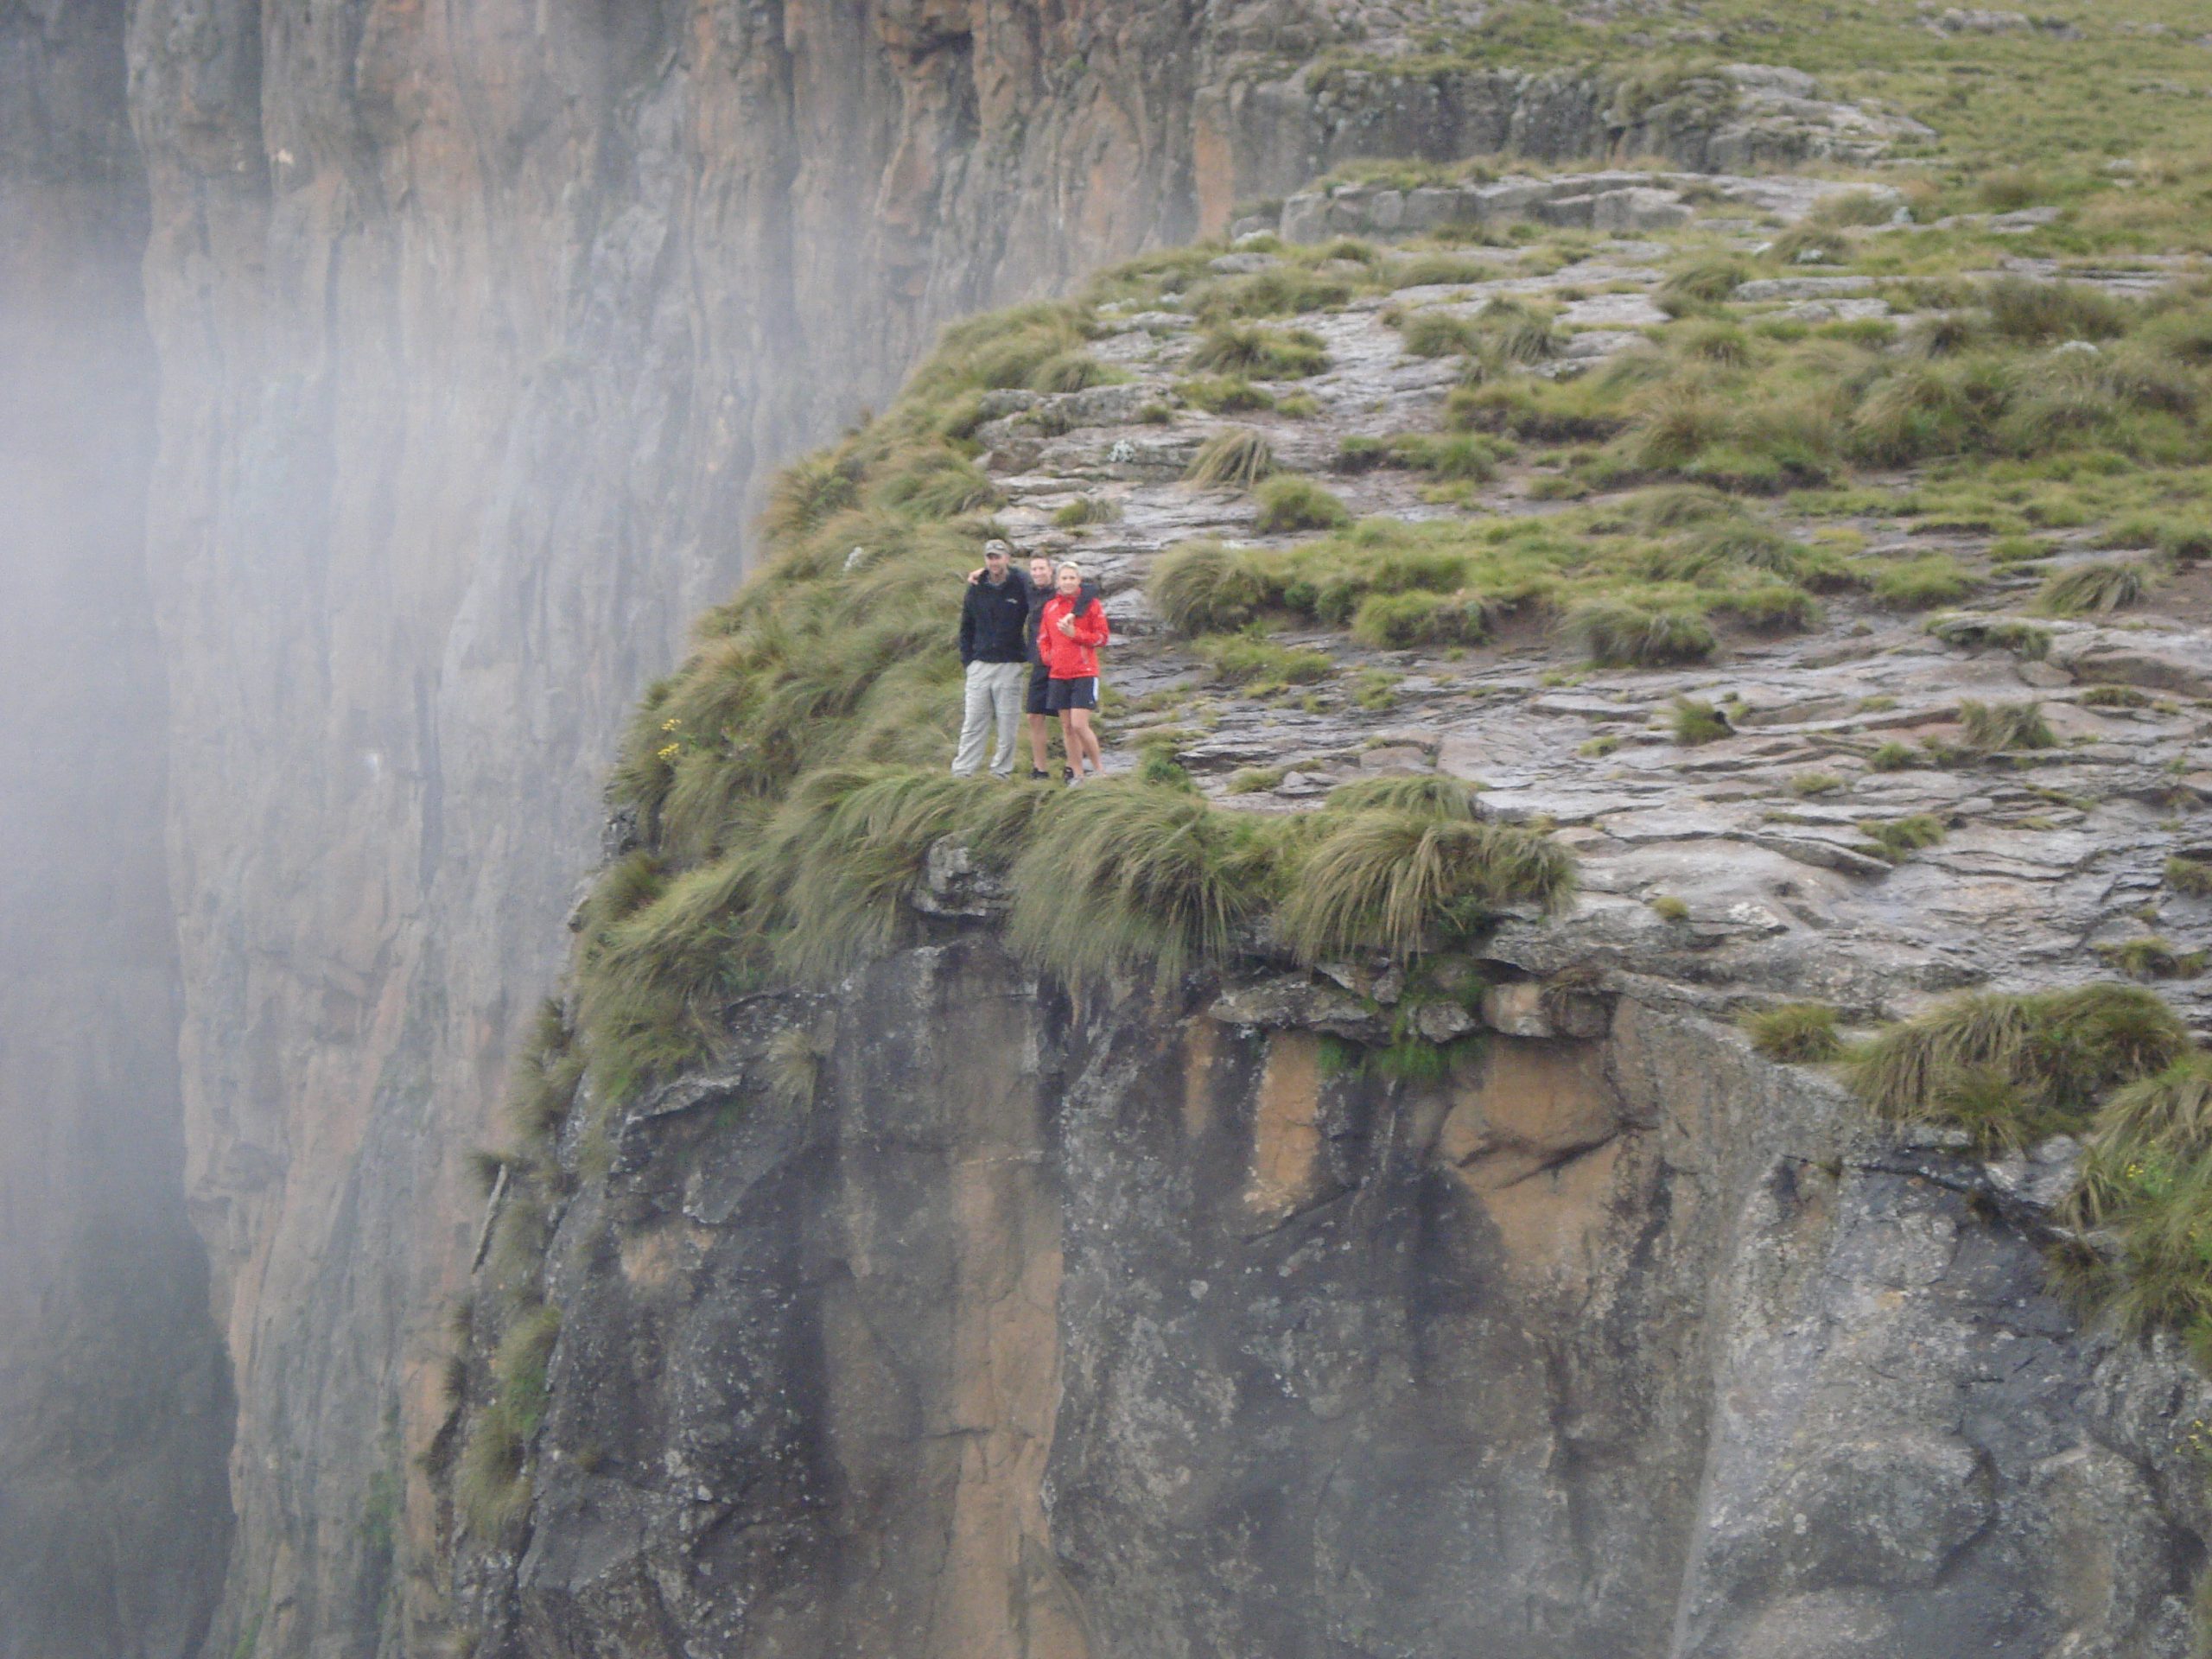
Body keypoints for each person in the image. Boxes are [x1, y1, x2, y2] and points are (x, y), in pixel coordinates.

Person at [951, 540, 1031, 779]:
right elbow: (966, 627)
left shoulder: (1019, 584)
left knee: (1008, 726)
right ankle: (963, 772)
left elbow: (1035, 587)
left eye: (998, 557)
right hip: (980, 666)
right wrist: (969, 661)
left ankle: (1001, 773)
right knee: (974, 723)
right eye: (990, 558)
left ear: (1007, 558)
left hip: (1009, 665)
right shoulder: (976, 587)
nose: (994, 562)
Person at [1037, 561, 1109, 781]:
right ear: (1057, 581)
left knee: (1079, 724)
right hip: (1059, 674)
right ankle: (1077, 774)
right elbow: (1043, 638)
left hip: (1084, 672)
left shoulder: (1091, 605)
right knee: (1067, 727)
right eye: (1064, 578)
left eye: (1072, 578)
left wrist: (1075, 633)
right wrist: (1049, 657)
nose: (1068, 582)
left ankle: (1099, 770)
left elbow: (1102, 638)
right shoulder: (1050, 607)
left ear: (1079, 580)